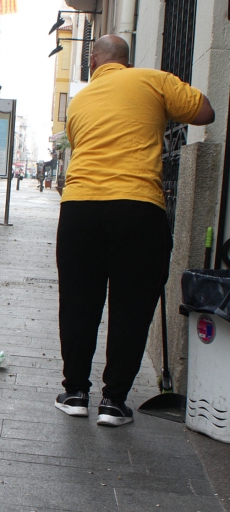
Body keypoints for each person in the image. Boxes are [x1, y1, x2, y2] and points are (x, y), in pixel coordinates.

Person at [54, 35, 215, 426]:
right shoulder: (154, 81)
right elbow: (205, 113)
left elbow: (80, 143)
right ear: (126, 59)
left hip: (79, 207)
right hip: (137, 206)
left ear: (94, 61)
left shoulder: (80, 101)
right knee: (131, 306)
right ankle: (114, 402)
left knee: (78, 302)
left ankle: (75, 392)